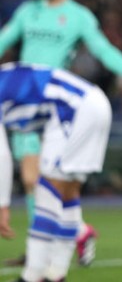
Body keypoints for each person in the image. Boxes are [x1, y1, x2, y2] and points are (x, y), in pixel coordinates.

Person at [0, 0, 122, 266]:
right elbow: (3, 39)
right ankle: (71, 234)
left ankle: (53, 243)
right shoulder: (28, 11)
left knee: (47, 179)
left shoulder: (78, 17)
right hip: (25, 103)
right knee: (35, 179)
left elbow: (103, 49)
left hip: (56, 106)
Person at [0, 62, 113, 282]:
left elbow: (1, 155)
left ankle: (32, 276)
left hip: (73, 110)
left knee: (47, 190)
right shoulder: (6, 74)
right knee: (68, 192)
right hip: (94, 101)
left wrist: (2, 204)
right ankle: (56, 274)